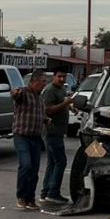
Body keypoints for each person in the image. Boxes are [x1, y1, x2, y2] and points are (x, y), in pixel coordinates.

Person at [11, 68, 47, 210]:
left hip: (35, 138)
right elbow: (16, 95)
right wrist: (15, 93)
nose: (44, 84)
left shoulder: (39, 98)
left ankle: (30, 199)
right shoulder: (24, 93)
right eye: (42, 81)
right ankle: (21, 196)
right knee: (25, 165)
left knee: (34, 170)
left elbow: (39, 114)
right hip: (22, 136)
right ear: (34, 82)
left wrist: (46, 119)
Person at [41, 69, 74, 204]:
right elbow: (47, 110)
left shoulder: (61, 89)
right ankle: (53, 193)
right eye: (59, 76)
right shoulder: (50, 90)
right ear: (54, 77)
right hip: (52, 131)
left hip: (59, 132)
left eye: (64, 76)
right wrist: (66, 104)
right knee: (61, 162)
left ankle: (46, 192)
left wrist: (70, 107)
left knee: (53, 162)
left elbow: (61, 104)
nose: (61, 79)